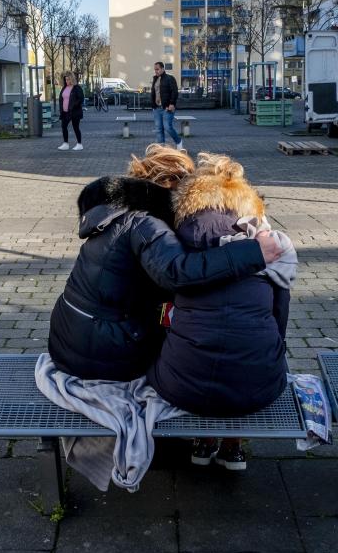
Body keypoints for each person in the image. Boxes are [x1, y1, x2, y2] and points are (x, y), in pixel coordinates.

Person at [48, 145, 283, 382]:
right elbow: (177, 272)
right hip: (101, 353)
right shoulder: (144, 222)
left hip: (68, 339)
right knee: (181, 355)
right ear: (172, 185)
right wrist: (254, 252)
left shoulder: (118, 209)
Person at [147, 153, 297, 471]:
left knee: (184, 354)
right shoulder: (266, 243)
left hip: (182, 388)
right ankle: (233, 445)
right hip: (259, 388)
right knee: (246, 354)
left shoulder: (176, 242)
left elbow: (164, 310)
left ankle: (204, 440)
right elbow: (279, 316)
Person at [150, 61, 182, 149]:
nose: (156, 71)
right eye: (155, 69)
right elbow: (154, 93)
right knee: (159, 129)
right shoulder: (155, 79)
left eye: (157, 69)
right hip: (157, 108)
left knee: (168, 127)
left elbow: (174, 92)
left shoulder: (170, 78)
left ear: (163, 69)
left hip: (167, 107)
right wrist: (153, 105)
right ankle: (162, 149)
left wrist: (172, 103)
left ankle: (179, 142)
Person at [58, 71, 84, 151]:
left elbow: (81, 99)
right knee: (64, 126)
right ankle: (66, 143)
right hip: (65, 112)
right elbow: (62, 99)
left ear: (72, 79)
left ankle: (79, 144)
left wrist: (73, 106)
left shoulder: (77, 88)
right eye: (66, 80)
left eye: (68, 79)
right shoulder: (64, 88)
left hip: (74, 112)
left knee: (75, 127)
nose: (67, 81)